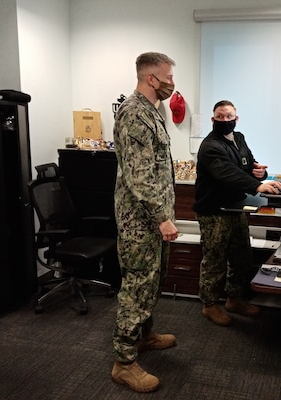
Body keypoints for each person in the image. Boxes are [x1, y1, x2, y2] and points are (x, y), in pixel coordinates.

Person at [111, 52, 179, 393]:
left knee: (151, 282)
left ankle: (145, 335)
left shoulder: (153, 112)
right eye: (168, 77)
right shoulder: (135, 113)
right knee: (137, 287)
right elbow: (140, 178)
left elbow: (156, 169)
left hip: (151, 220)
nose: (172, 83)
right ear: (151, 78)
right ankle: (124, 362)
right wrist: (162, 217)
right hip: (140, 222)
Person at [193, 100, 281, 326]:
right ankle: (210, 305)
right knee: (215, 260)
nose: (225, 120)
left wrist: (260, 173)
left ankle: (234, 299)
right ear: (213, 120)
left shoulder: (239, 138)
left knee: (241, 255)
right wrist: (256, 186)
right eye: (220, 117)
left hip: (235, 208)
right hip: (214, 211)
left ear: (236, 118)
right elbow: (228, 173)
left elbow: (246, 166)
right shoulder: (210, 146)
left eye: (229, 116)